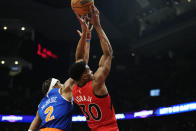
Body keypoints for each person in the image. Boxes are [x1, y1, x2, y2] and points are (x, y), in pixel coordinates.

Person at [28, 14, 93, 131]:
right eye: (58, 82)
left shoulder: (41, 105)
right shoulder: (64, 90)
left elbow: (31, 129)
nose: (61, 83)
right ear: (55, 86)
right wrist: (86, 39)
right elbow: (81, 65)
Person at [69, 5, 119, 131]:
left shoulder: (74, 88)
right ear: (84, 76)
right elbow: (108, 53)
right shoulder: (96, 83)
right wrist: (97, 25)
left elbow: (80, 61)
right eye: (89, 70)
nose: (91, 70)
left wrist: (86, 37)